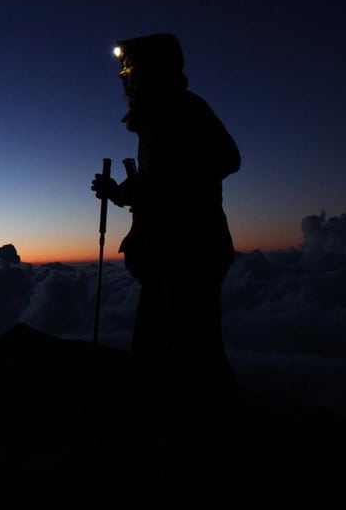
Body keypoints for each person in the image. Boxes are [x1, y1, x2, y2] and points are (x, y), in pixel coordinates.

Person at [91, 33, 241, 489]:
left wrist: (159, 187)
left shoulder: (182, 111)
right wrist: (121, 193)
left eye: (130, 69)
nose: (124, 77)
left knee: (180, 352)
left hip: (187, 255)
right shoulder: (161, 116)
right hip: (176, 254)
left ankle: (198, 455)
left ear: (153, 71)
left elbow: (223, 160)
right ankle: (195, 446)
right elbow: (159, 188)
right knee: (182, 350)